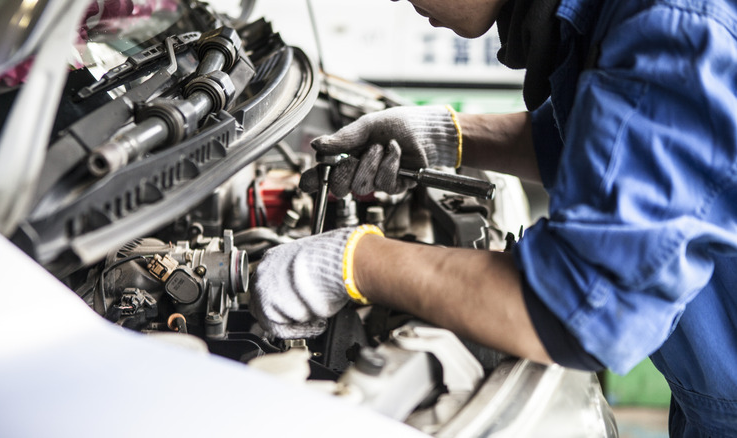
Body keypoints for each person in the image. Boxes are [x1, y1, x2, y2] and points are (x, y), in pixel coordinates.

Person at [249, 0, 737, 436]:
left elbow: (578, 307)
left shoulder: (671, 23)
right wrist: (447, 135)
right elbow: (602, 146)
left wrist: (352, 264)